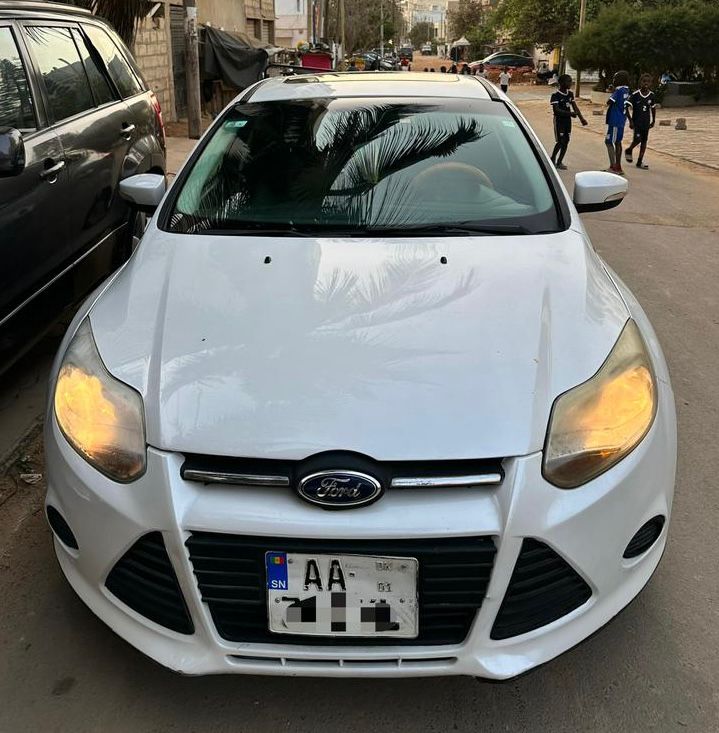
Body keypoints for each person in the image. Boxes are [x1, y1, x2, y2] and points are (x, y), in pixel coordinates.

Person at [549, 73, 588, 170]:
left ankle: (559, 161)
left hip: (567, 121)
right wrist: (570, 113)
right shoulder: (555, 95)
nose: (571, 83)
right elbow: (556, 110)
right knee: (560, 141)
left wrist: (582, 119)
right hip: (559, 121)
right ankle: (552, 158)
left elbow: (575, 107)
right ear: (562, 83)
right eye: (569, 81)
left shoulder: (570, 94)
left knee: (566, 141)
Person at [625, 73, 657, 169]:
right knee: (637, 139)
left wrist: (653, 120)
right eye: (644, 81)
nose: (646, 83)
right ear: (640, 82)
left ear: (651, 83)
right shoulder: (635, 95)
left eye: (648, 81)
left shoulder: (651, 95)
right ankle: (629, 149)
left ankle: (639, 161)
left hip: (646, 122)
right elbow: (626, 107)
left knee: (644, 141)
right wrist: (630, 121)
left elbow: (653, 108)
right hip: (637, 122)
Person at [604, 70, 631, 174]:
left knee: (610, 142)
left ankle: (615, 166)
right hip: (621, 120)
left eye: (615, 78)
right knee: (617, 142)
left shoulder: (618, 91)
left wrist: (612, 92)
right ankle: (616, 166)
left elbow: (609, 102)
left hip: (615, 120)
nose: (613, 80)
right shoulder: (626, 90)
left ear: (620, 80)